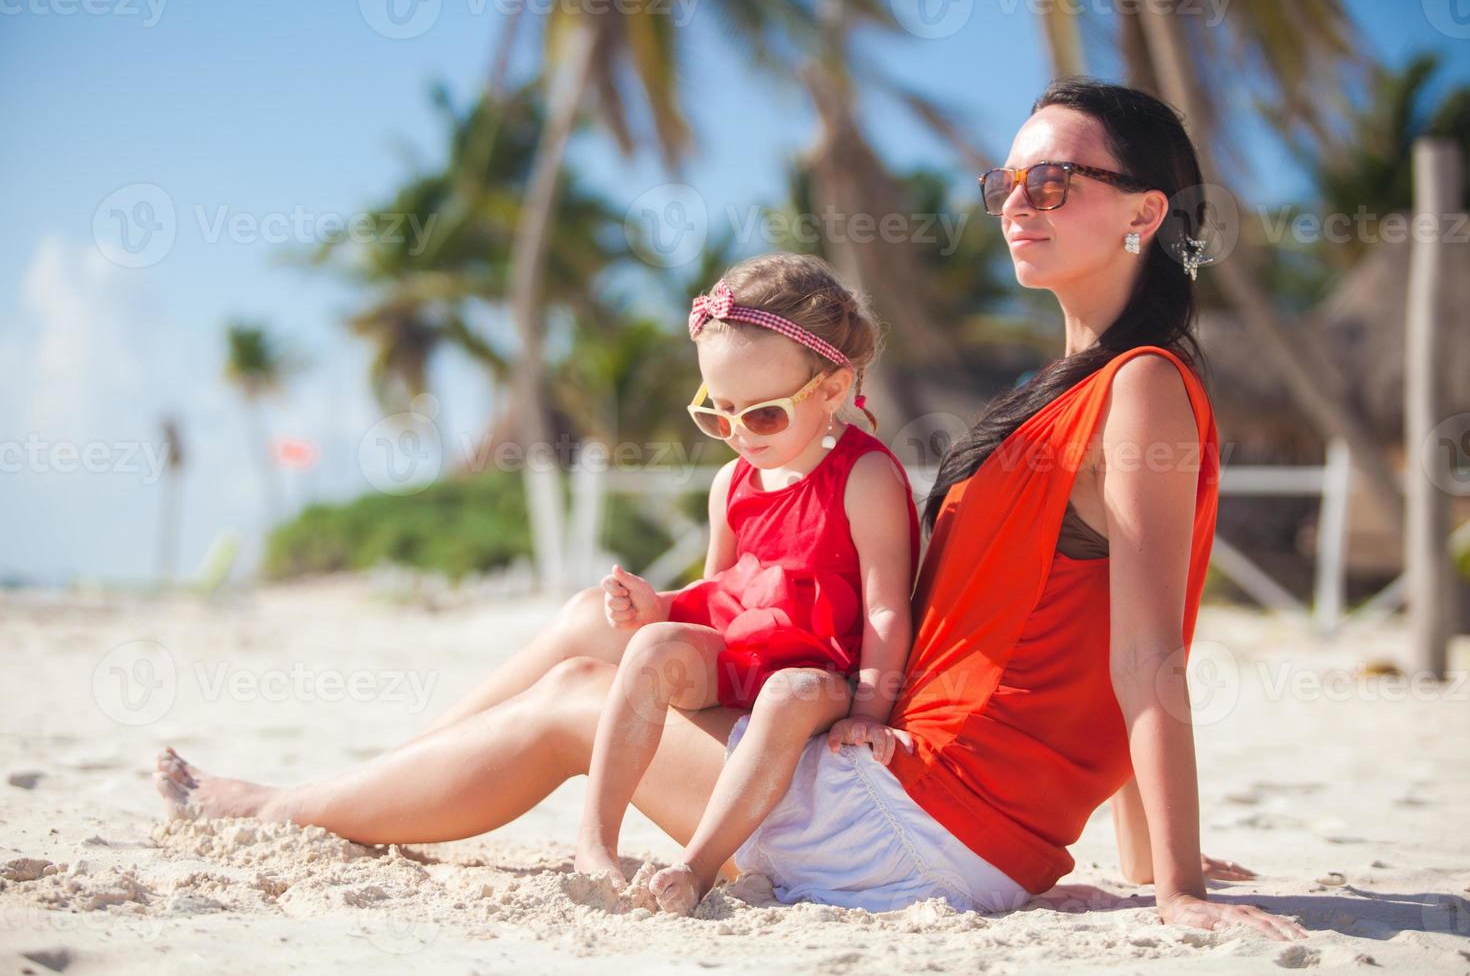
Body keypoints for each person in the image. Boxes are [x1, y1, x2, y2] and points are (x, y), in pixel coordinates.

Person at [153, 77, 1307, 939]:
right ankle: (363, 777)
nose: (1017, 201)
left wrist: (1178, 887)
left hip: (926, 822)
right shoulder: (1067, 388)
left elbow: (1151, 647)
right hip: (922, 790)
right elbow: (1063, 627)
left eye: (1052, 181)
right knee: (599, 628)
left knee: (574, 706)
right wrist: (1150, 850)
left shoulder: (1142, 387)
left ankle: (287, 805)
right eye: (1004, 181)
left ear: (1146, 212)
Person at [576, 253, 921, 915]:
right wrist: (659, 611)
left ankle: (698, 864)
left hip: (826, 673)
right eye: (717, 412)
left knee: (791, 692)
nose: (737, 433)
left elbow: (884, 609)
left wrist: (869, 715)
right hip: (744, 665)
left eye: (763, 415)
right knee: (651, 650)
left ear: (830, 389)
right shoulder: (729, 483)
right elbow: (721, 598)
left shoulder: (864, 475)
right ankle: (596, 839)